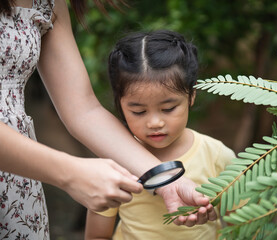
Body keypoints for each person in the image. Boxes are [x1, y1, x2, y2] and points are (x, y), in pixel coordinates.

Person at [0, 0, 216, 238]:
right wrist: (71, 174)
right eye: (139, 111)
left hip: (17, 185)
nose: (155, 122)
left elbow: (83, 110)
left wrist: (165, 179)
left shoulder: (49, 3)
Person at [84, 30, 236, 240]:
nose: (155, 123)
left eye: (168, 109)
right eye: (138, 112)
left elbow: (243, 228)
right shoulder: (115, 163)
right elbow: (97, 235)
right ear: (120, 104)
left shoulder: (218, 157)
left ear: (191, 96)